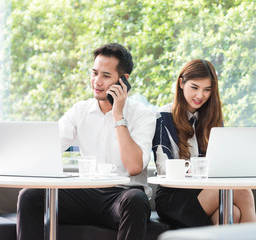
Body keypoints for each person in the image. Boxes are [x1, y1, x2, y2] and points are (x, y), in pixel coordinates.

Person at [17, 43, 156, 240]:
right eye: (94, 73)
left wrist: (118, 115)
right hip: (85, 195)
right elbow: (49, 148)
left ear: (123, 81)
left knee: (136, 200)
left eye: (106, 76)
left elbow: (134, 167)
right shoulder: (80, 111)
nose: (97, 82)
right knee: (29, 195)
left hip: (121, 197)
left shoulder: (143, 115)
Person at [152, 59, 256, 227]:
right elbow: (163, 167)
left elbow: (222, 160)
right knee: (242, 191)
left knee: (234, 214)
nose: (200, 95)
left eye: (207, 90)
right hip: (174, 197)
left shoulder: (213, 119)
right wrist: (196, 168)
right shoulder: (162, 117)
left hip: (205, 191)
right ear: (181, 83)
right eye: (194, 87)